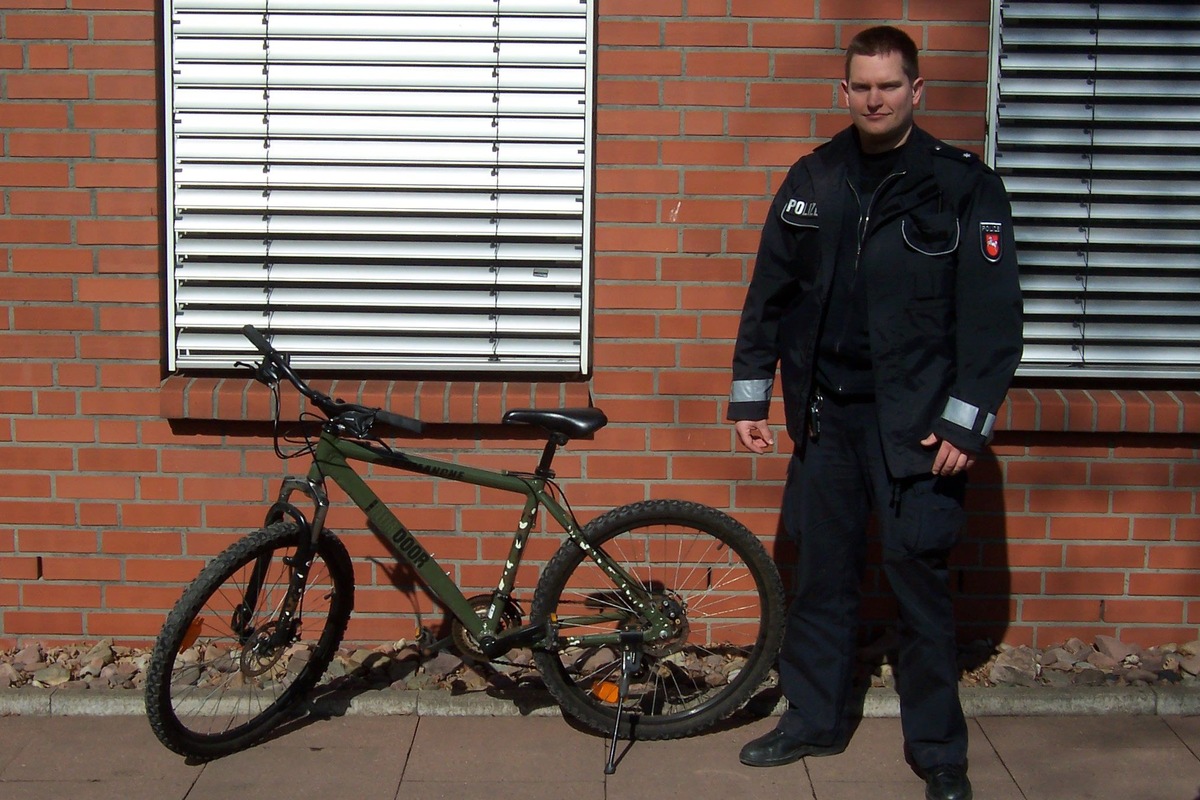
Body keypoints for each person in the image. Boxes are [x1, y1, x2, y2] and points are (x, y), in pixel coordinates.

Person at [727, 25, 1022, 800]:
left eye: (889, 85)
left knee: (918, 585)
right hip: (827, 419)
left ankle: (938, 754)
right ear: (846, 91)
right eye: (861, 85)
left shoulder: (960, 186)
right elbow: (771, 293)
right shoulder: (814, 179)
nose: (875, 98)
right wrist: (751, 391)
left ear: (916, 92)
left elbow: (993, 321)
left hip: (917, 430)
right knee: (821, 578)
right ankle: (813, 720)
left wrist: (965, 422)